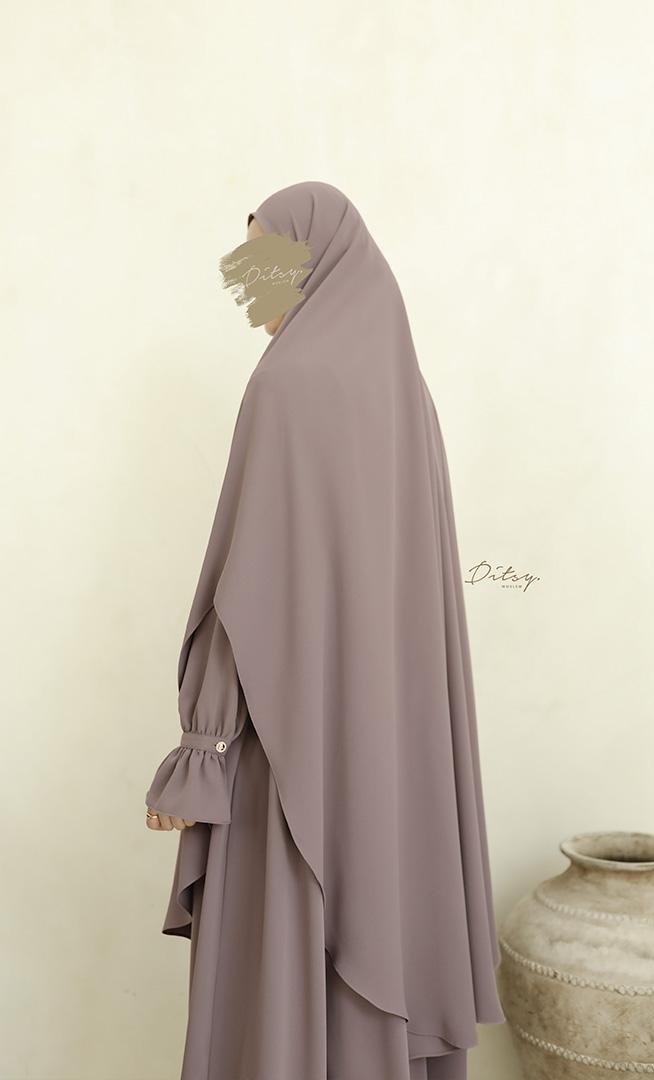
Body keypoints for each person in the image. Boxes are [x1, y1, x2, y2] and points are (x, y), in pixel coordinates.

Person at [145, 180, 506, 1080]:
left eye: (267, 259)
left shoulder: (286, 384)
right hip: (390, 755)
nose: (250, 284)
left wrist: (201, 745)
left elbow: (246, 590)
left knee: (286, 955)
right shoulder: (409, 402)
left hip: (289, 757)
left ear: (318, 262)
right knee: (375, 912)